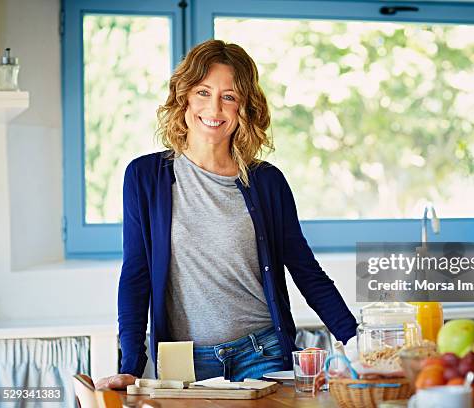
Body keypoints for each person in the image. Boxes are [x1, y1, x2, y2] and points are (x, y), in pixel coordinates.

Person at [96, 39, 357, 389]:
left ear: (244, 107)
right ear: (184, 97)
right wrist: (130, 365)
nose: (214, 108)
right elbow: (135, 276)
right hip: (184, 364)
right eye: (203, 92)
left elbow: (306, 272)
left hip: (262, 354)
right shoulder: (145, 177)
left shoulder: (267, 182)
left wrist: (356, 343)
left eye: (229, 96)